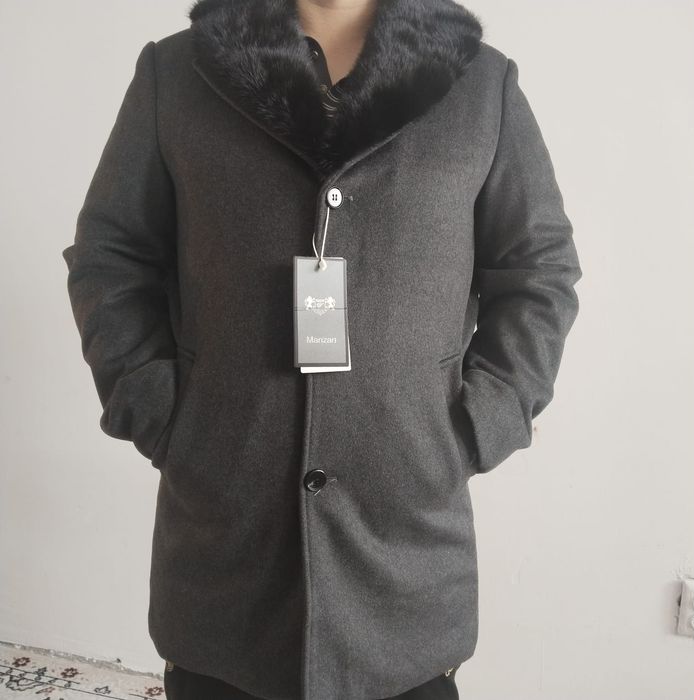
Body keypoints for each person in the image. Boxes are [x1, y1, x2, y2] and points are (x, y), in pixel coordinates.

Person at [61, 0, 582, 699]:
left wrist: (480, 422)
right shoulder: (178, 73)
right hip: (224, 549)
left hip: (407, 556)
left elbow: (539, 269)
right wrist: (157, 411)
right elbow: (110, 256)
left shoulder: (480, 86)